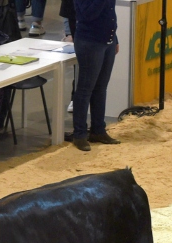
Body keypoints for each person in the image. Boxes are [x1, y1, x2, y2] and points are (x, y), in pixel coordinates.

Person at [72, 0, 121, 152]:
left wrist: (115, 39)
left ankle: (98, 130)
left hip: (108, 40)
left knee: (101, 88)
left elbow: (110, 12)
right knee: (85, 89)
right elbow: (86, 15)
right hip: (90, 42)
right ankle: (79, 134)